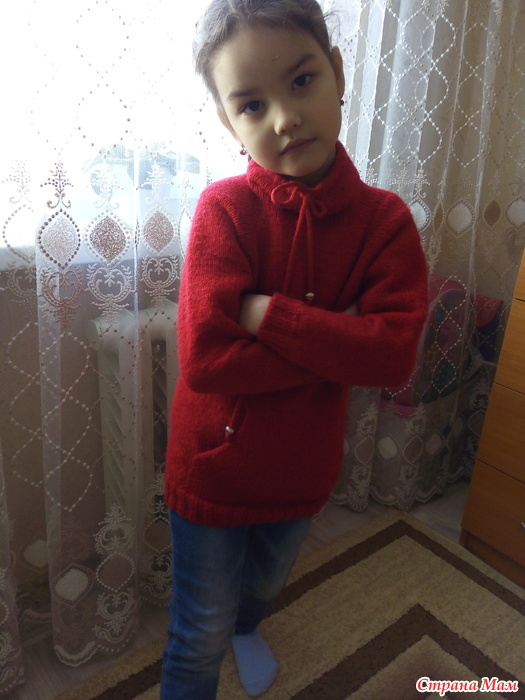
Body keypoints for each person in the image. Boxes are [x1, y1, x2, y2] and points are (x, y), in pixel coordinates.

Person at [161, 0, 428, 697]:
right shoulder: (224, 210)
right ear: (229, 122)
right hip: (213, 466)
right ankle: (226, 634)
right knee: (197, 633)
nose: (284, 118)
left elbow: (392, 357)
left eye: (302, 81)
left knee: (262, 584)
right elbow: (207, 362)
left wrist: (265, 314)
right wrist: (340, 337)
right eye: (252, 104)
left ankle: (248, 628)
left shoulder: (385, 223)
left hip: (304, 467)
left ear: (337, 72)